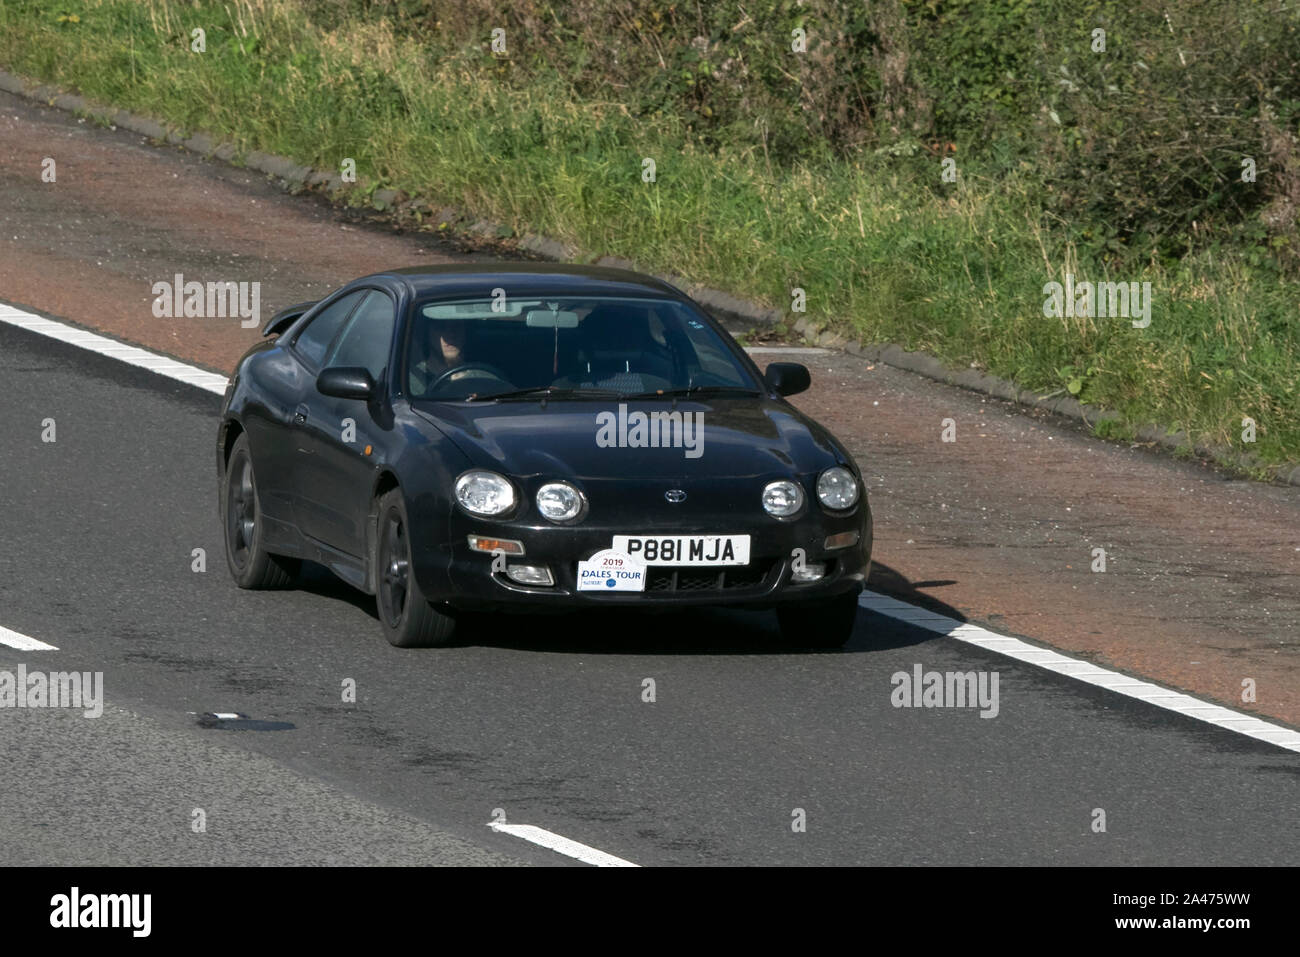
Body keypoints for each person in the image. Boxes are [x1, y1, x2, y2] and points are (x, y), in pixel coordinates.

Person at [409, 319, 470, 395]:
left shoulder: (483, 378)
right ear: (427, 333)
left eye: (457, 326)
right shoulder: (411, 383)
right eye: (441, 327)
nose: (451, 334)